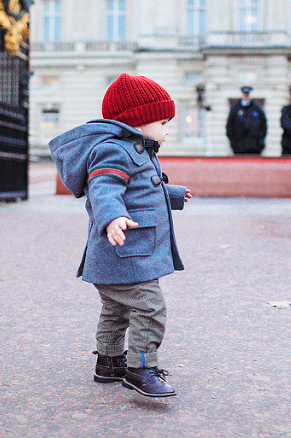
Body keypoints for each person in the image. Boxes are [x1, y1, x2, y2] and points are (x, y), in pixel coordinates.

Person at [48, 73, 192, 398]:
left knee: (115, 310)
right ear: (138, 121)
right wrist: (112, 217)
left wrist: (173, 195)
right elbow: (104, 188)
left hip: (119, 256)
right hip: (127, 253)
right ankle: (141, 367)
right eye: (163, 121)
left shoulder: (136, 150)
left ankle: (109, 363)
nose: (168, 129)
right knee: (150, 307)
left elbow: (140, 190)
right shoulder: (115, 151)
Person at [226, 85, 267, 154]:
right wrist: (233, 143)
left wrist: (260, 141)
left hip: (254, 146)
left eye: (247, 94)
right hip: (239, 146)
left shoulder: (257, 108)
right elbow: (230, 126)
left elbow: (263, 126)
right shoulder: (235, 109)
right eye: (245, 94)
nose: (246, 96)